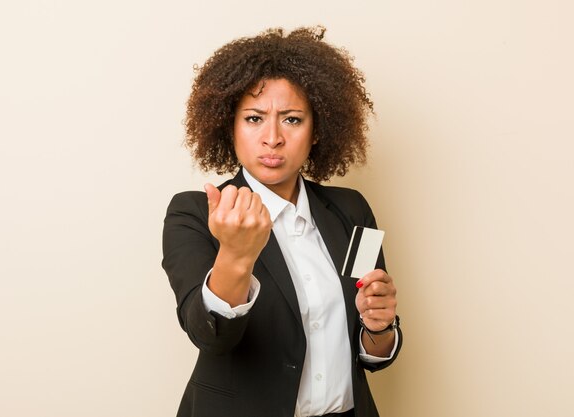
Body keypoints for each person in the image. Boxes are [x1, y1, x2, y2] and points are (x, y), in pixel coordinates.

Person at [162, 26, 402, 417]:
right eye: (254, 118)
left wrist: (379, 328)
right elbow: (209, 335)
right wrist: (236, 255)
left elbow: (372, 351)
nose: (272, 138)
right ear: (230, 126)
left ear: (317, 130)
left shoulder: (353, 211)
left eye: (291, 120)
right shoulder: (195, 213)